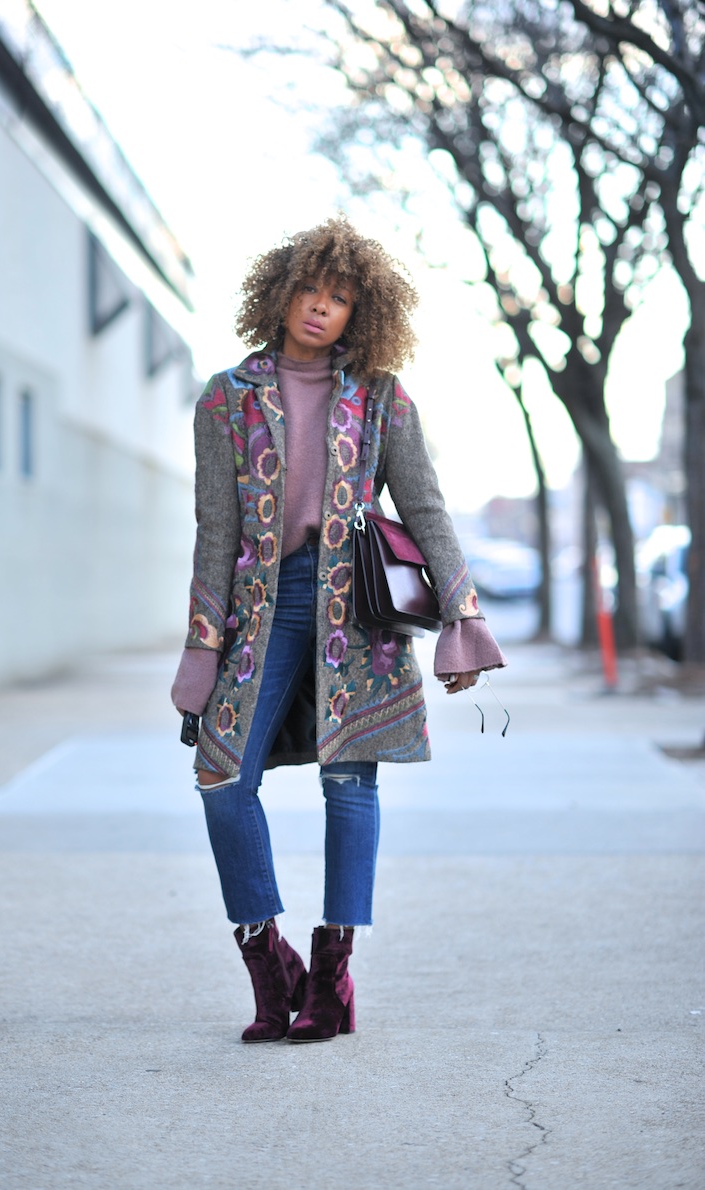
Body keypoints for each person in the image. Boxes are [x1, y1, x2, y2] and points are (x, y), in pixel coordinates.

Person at [171, 216, 506, 1044]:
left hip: (355, 614)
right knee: (222, 780)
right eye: (312, 291)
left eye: (342, 299)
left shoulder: (382, 396)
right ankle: (269, 960)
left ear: (363, 314)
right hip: (260, 607)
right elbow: (214, 533)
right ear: (282, 293)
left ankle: (331, 977)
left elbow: (423, 507)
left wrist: (464, 619)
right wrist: (200, 649)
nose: (322, 309)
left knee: (349, 786)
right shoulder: (225, 398)